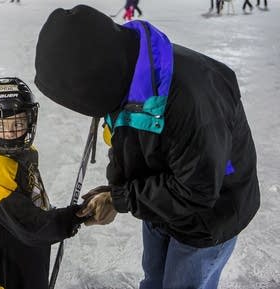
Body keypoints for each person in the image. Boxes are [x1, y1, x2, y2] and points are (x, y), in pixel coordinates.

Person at [34, 5, 260, 289]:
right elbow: (127, 138)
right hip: (162, 203)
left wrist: (121, 199)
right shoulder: (125, 73)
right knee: (154, 280)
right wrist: (115, 191)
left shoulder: (192, 102)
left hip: (210, 216)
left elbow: (196, 191)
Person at [0, 77, 86, 289]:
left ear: (30, 121)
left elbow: (31, 199)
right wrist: (73, 217)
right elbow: (30, 226)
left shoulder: (27, 153)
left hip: (35, 244)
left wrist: (51, 218)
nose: (10, 132)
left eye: (18, 123)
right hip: (12, 263)